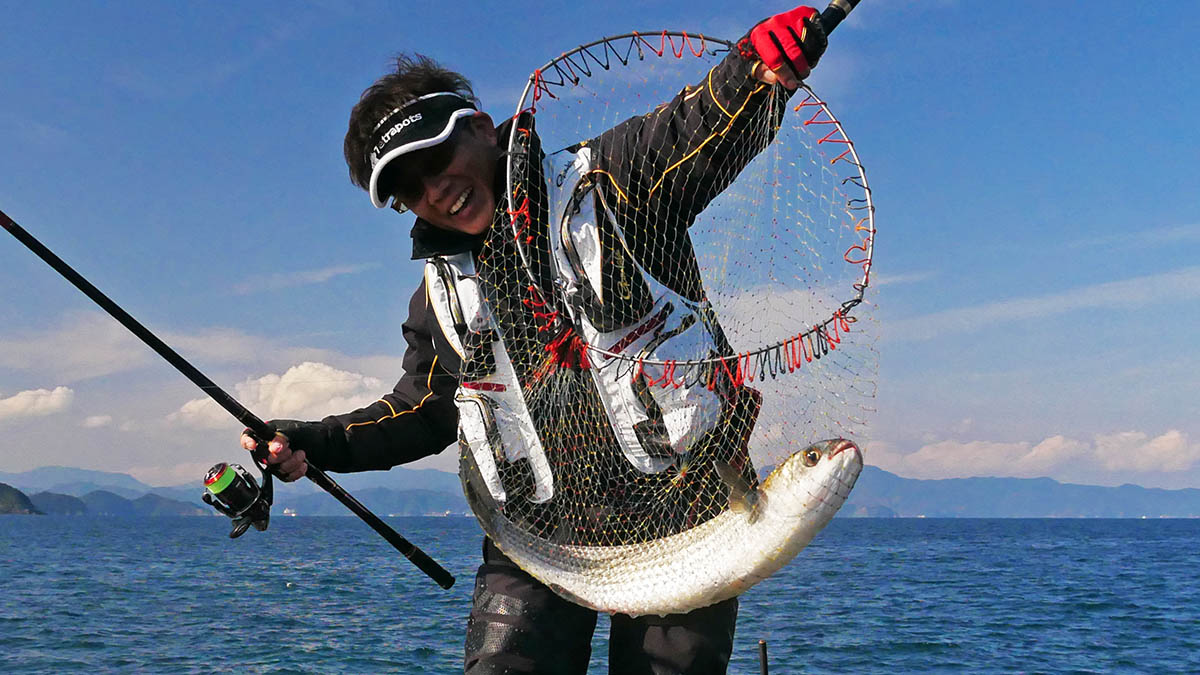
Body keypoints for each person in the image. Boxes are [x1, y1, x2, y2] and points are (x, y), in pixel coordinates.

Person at [243, 6, 828, 673]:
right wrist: (313, 441)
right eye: (408, 188)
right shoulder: (437, 298)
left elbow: (695, 127)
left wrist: (757, 69)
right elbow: (424, 411)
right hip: (537, 539)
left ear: (482, 128)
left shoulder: (612, 181)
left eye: (435, 158)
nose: (434, 189)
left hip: (688, 512)